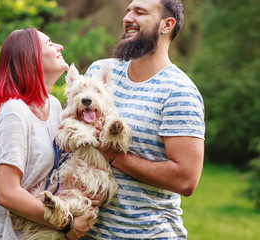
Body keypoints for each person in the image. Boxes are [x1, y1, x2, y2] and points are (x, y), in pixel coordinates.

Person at [83, 0, 205, 239]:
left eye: (140, 12)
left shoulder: (178, 92)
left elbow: (186, 179)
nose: (127, 18)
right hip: (87, 233)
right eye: (128, 10)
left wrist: (114, 156)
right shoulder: (99, 73)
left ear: (166, 25)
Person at [0, 28, 94, 240]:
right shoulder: (14, 112)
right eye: (49, 43)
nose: (59, 47)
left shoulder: (53, 106)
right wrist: (67, 223)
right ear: (30, 57)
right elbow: (6, 192)